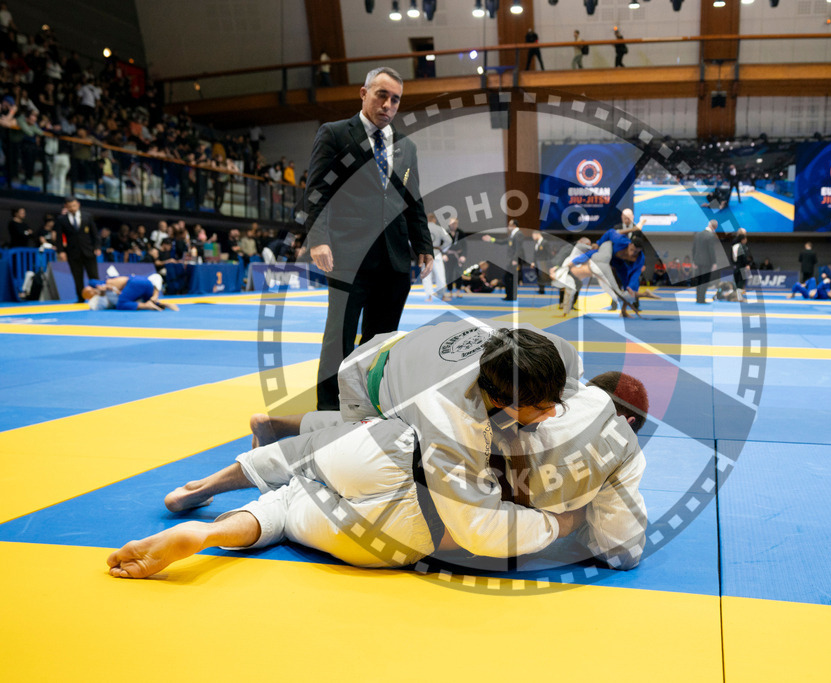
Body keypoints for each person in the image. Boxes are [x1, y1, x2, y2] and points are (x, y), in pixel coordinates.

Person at [109, 368, 648, 579]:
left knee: (319, 453)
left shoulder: (533, 380)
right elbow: (622, 548)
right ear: (627, 422)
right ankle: (215, 531)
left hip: (392, 452)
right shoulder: (618, 447)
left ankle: (208, 504)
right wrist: (572, 523)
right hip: (406, 540)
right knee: (291, 510)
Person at [300, 66, 434, 411]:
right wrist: (318, 239)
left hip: (394, 256)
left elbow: (412, 198)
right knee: (339, 338)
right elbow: (316, 190)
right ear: (364, 94)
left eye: (395, 99)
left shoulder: (406, 147)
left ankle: (370, 404)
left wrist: (423, 245)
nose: (388, 104)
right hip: (347, 254)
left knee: (381, 340)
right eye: (381, 95)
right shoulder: (334, 134)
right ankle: (329, 412)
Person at [54, 197, 100, 303]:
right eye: (69, 206)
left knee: (94, 276)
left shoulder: (87, 216)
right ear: (66, 206)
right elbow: (59, 237)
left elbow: (95, 234)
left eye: (74, 205)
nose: (72, 208)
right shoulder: (62, 219)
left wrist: (97, 247)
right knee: (77, 276)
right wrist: (61, 251)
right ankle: (80, 298)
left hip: (88, 250)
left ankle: (98, 297)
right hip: (72, 252)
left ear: (78, 204)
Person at [82, 274, 179, 311]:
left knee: (121, 303)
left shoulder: (102, 284)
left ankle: (147, 305)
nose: (91, 293)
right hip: (143, 285)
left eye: (90, 291)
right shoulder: (102, 294)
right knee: (147, 300)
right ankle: (163, 304)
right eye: (89, 295)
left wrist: (102, 287)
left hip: (135, 282)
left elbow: (92, 281)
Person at [482, 219, 526, 301]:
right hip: (510, 259)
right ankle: (509, 295)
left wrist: (515, 259)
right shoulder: (512, 235)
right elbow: (503, 242)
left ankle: (511, 296)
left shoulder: (518, 234)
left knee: (510, 278)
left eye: (510, 225)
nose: (508, 227)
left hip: (513, 260)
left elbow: (518, 248)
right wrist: (491, 239)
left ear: (514, 226)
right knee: (508, 278)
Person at [422, 213, 452, 301]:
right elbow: (449, 240)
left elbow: (411, 240)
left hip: (425, 254)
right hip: (437, 253)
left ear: (426, 219)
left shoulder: (422, 228)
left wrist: (419, 250)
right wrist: (443, 249)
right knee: (440, 275)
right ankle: (442, 295)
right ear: (434, 220)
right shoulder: (439, 228)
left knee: (426, 276)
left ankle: (429, 296)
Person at [692, 219, 720, 304]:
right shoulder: (710, 236)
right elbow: (711, 250)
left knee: (699, 280)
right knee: (704, 281)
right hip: (706, 262)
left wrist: (694, 261)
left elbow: (694, 249)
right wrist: (714, 262)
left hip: (697, 261)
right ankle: (701, 299)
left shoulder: (698, 234)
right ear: (714, 227)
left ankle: (698, 299)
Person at [531, 229, 558, 296]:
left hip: (543, 262)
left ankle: (542, 289)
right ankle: (540, 288)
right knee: (538, 276)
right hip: (537, 262)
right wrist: (533, 262)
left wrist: (553, 262)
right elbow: (535, 254)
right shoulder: (537, 243)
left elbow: (549, 253)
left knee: (542, 276)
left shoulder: (545, 242)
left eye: (533, 235)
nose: (533, 237)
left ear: (537, 234)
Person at [731, 230, 752, 302]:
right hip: (742, 266)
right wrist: (747, 264)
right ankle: (739, 297)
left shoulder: (735, 245)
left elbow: (732, 257)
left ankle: (738, 297)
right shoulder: (741, 246)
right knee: (741, 283)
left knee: (739, 283)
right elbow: (744, 257)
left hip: (736, 266)